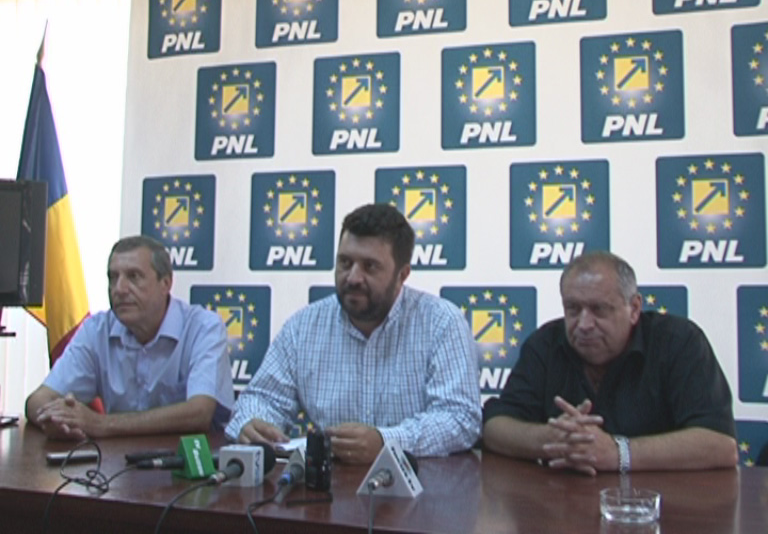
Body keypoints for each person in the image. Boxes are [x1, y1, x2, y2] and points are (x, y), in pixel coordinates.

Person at [226, 203, 481, 464]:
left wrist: (386, 442)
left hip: (420, 484)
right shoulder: (303, 327)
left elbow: (460, 418)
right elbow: (262, 398)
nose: (353, 278)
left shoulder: (441, 322)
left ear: (402, 275)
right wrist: (252, 423)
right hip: (328, 484)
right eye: (345, 263)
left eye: (370, 267)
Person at [483, 251, 738, 474]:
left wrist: (618, 453)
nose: (584, 324)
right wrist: (554, 440)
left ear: (634, 309)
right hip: (562, 504)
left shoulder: (678, 341)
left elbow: (720, 445)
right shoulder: (545, 344)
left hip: (660, 504)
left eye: (599, 309)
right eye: (573, 309)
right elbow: (494, 427)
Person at [25, 235, 234, 440]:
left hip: (190, 457)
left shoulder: (203, 328)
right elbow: (37, 400)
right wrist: (56, 419)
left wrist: (101, 424)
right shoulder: (97, 330)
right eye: (113, 278)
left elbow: (199, 413)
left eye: (134, 277)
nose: (119, 289)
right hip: (118, 458)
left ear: (166, 283)